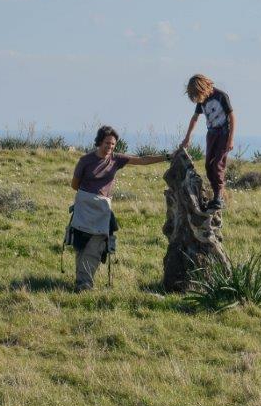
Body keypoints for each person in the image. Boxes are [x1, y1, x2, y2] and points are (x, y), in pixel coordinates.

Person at [69, 125, 167, 291]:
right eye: (107, 143)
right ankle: (82, 282)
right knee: (81, 242)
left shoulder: (116, 159)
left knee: (97, 242)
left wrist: (167, 156)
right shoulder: (85, 160)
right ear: (100, 142)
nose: (110, 147)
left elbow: (142, 160)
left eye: (113, 144)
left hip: (102, 208)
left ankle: (84, 282)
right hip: (85, 206)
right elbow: (74, 185)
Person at [178, 74, 236, 211]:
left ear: (203, 88)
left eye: (197, 94)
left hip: (224, 133)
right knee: (208, 166)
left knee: (217, 165)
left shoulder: (221, 96)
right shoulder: (201, 100)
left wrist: (231, 138)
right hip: (211, 134)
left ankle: (218, 197)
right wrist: (187, 138)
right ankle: (216, 195)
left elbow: (232, 116)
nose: (197, 98)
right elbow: (195, 118)